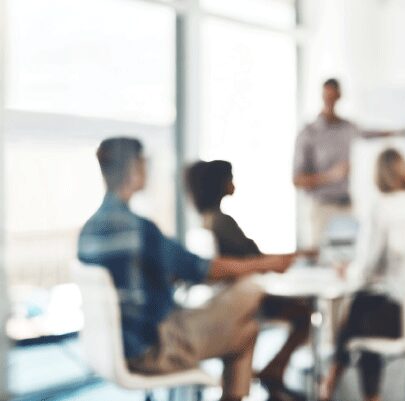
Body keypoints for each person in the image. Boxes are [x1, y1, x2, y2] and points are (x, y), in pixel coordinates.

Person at [78, 137, 295, 401]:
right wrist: (268, 264)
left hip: (114, 350)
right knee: (251, 288)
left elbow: (137, 277)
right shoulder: (139, 229)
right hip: (155, 347)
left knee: (247, 331)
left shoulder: (88, 230)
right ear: (133, 169)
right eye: (143, 163)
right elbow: (201, 269)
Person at [320, 149, 405, 401]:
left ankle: (333, 383)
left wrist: (347, 271)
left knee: (360, 307)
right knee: (365, 310)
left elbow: (365, 269)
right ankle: (335, 382)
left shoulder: (383, 207)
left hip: (398, 316)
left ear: (378, 176)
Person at [185, 160, 311, 401]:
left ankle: (270, 375)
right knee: (302, 313)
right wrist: (279, 261)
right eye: (230, 178)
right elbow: (254, 260)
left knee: (249, 331)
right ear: (220, 183)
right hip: (237, 301)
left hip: (225, 300)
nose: (234, 183)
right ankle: (273, 374)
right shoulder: (221, 222)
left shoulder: (209, 220)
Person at [293, 78, 405, 248]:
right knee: (322, 257)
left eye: (334, 97)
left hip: (346, 206)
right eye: (327, 97)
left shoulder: (348, 128)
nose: (330, 102)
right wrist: (332, 175)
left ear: (339, 96)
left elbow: (374, 133)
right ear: (322, 96)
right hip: (322, 208)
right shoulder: (308, 133)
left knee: (351, 254)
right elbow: (297, 180)